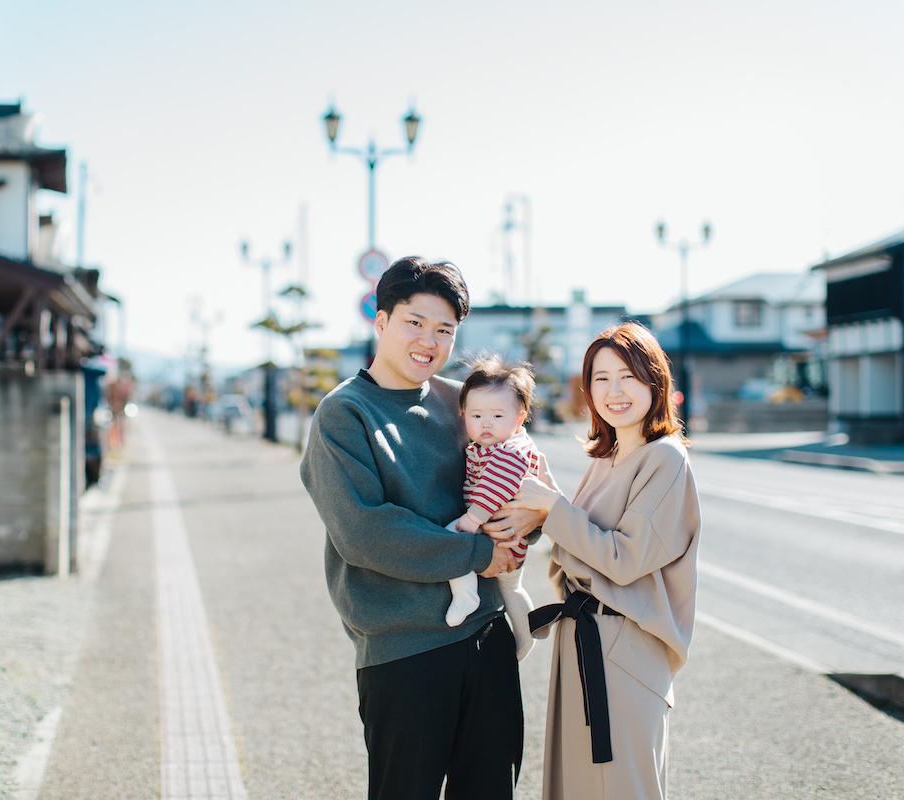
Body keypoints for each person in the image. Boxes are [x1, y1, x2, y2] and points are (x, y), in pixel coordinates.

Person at [299, 256, 547, 800]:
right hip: (403, 651)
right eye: (414, 322)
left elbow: (523, 480)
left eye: (444, 330)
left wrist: (528, 524)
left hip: (486, 633)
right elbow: (364, 533)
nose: (428, 340)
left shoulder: (464, 402)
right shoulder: (344, 414)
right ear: (381, 321)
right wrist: (481, 555)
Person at [505, 322, 701, 800]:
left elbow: (623, 558)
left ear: (654, 382)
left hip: (626, 650)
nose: (614, 391)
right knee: (577, 787)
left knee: (620, 788)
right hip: (583, 641)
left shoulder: (664, 459)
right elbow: (573, 556)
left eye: (628, 376)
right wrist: (545, 515)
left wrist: (553, 510)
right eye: (600, 378)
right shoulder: (607, 456)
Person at [444, 354, 541, 661]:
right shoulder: (495, 445)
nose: (486, 424)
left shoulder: (510, 451)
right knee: (511, 589)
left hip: (498, 534)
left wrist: (472, 519)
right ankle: (527, 635)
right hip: (512, 539)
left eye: (498, 417)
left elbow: (494, 487)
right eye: (476, 416)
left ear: (519, 418)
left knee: (451, 535)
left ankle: (465, 593)